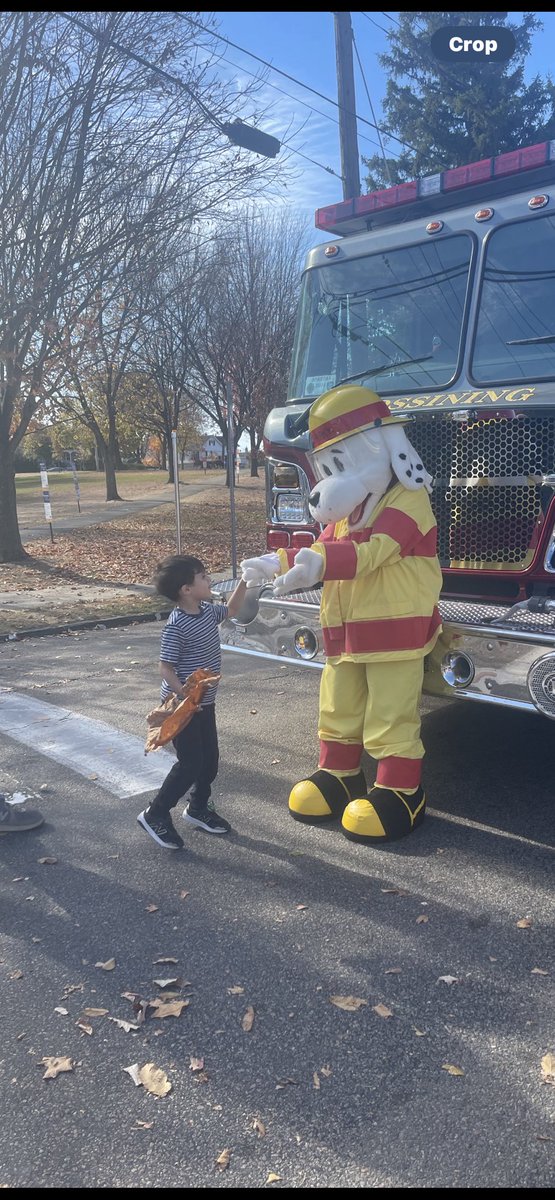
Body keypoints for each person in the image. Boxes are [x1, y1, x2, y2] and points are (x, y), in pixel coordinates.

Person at [137, 555, 247, 850]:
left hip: (204, 702)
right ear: (186, 589)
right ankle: (155, 813)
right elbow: (166, 667)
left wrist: (248, 579)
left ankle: (197, 808)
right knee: (190, 763)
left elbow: (234, 609)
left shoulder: (208, 612)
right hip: (182, 705)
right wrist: (184, 696)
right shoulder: (177, 625)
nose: (209, 580)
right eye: (203, 576)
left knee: (209, 760)